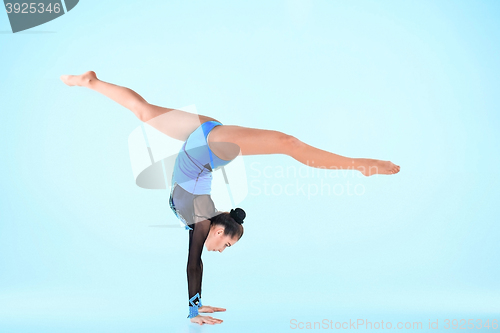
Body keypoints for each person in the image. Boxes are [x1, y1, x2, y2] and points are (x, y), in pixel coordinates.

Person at [60, 71, 401, 325]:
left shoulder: (207, 218)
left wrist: (196, 305)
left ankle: (91, 81)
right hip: (209, 145)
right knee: (288, 144)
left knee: (144, 112)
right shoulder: (203, 221)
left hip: (200, 138)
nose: (220, 250)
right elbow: (194, 262)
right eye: (226, 245)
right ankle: (359, 165)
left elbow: (196, 261)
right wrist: (193, 310)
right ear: (219, 232)